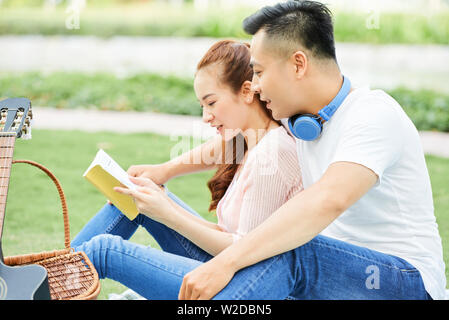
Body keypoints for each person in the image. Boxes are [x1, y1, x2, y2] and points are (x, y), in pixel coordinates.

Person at [175, 0, 446, 300]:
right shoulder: (303, 121)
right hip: (335, 275)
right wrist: (166, 170)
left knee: (290, 248)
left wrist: (227, 261)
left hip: (406, 282)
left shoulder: (372, 114)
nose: (256, 86)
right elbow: (240, 141)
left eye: (260, 72)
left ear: (298, 64)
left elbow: (328, 199)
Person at [71, 40, 303, 299]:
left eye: (212, 103)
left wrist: (168, 213)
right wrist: (162, 176)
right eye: (202, 106)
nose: (206, 116)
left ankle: (43, 282)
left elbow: (242, 251)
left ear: (247, 92)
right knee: (136, 194)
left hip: (244, 283)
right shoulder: (250, 140)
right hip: (225, 265)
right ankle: (43, 279)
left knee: (103, 251)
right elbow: (217, 151)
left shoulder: (272, 153)